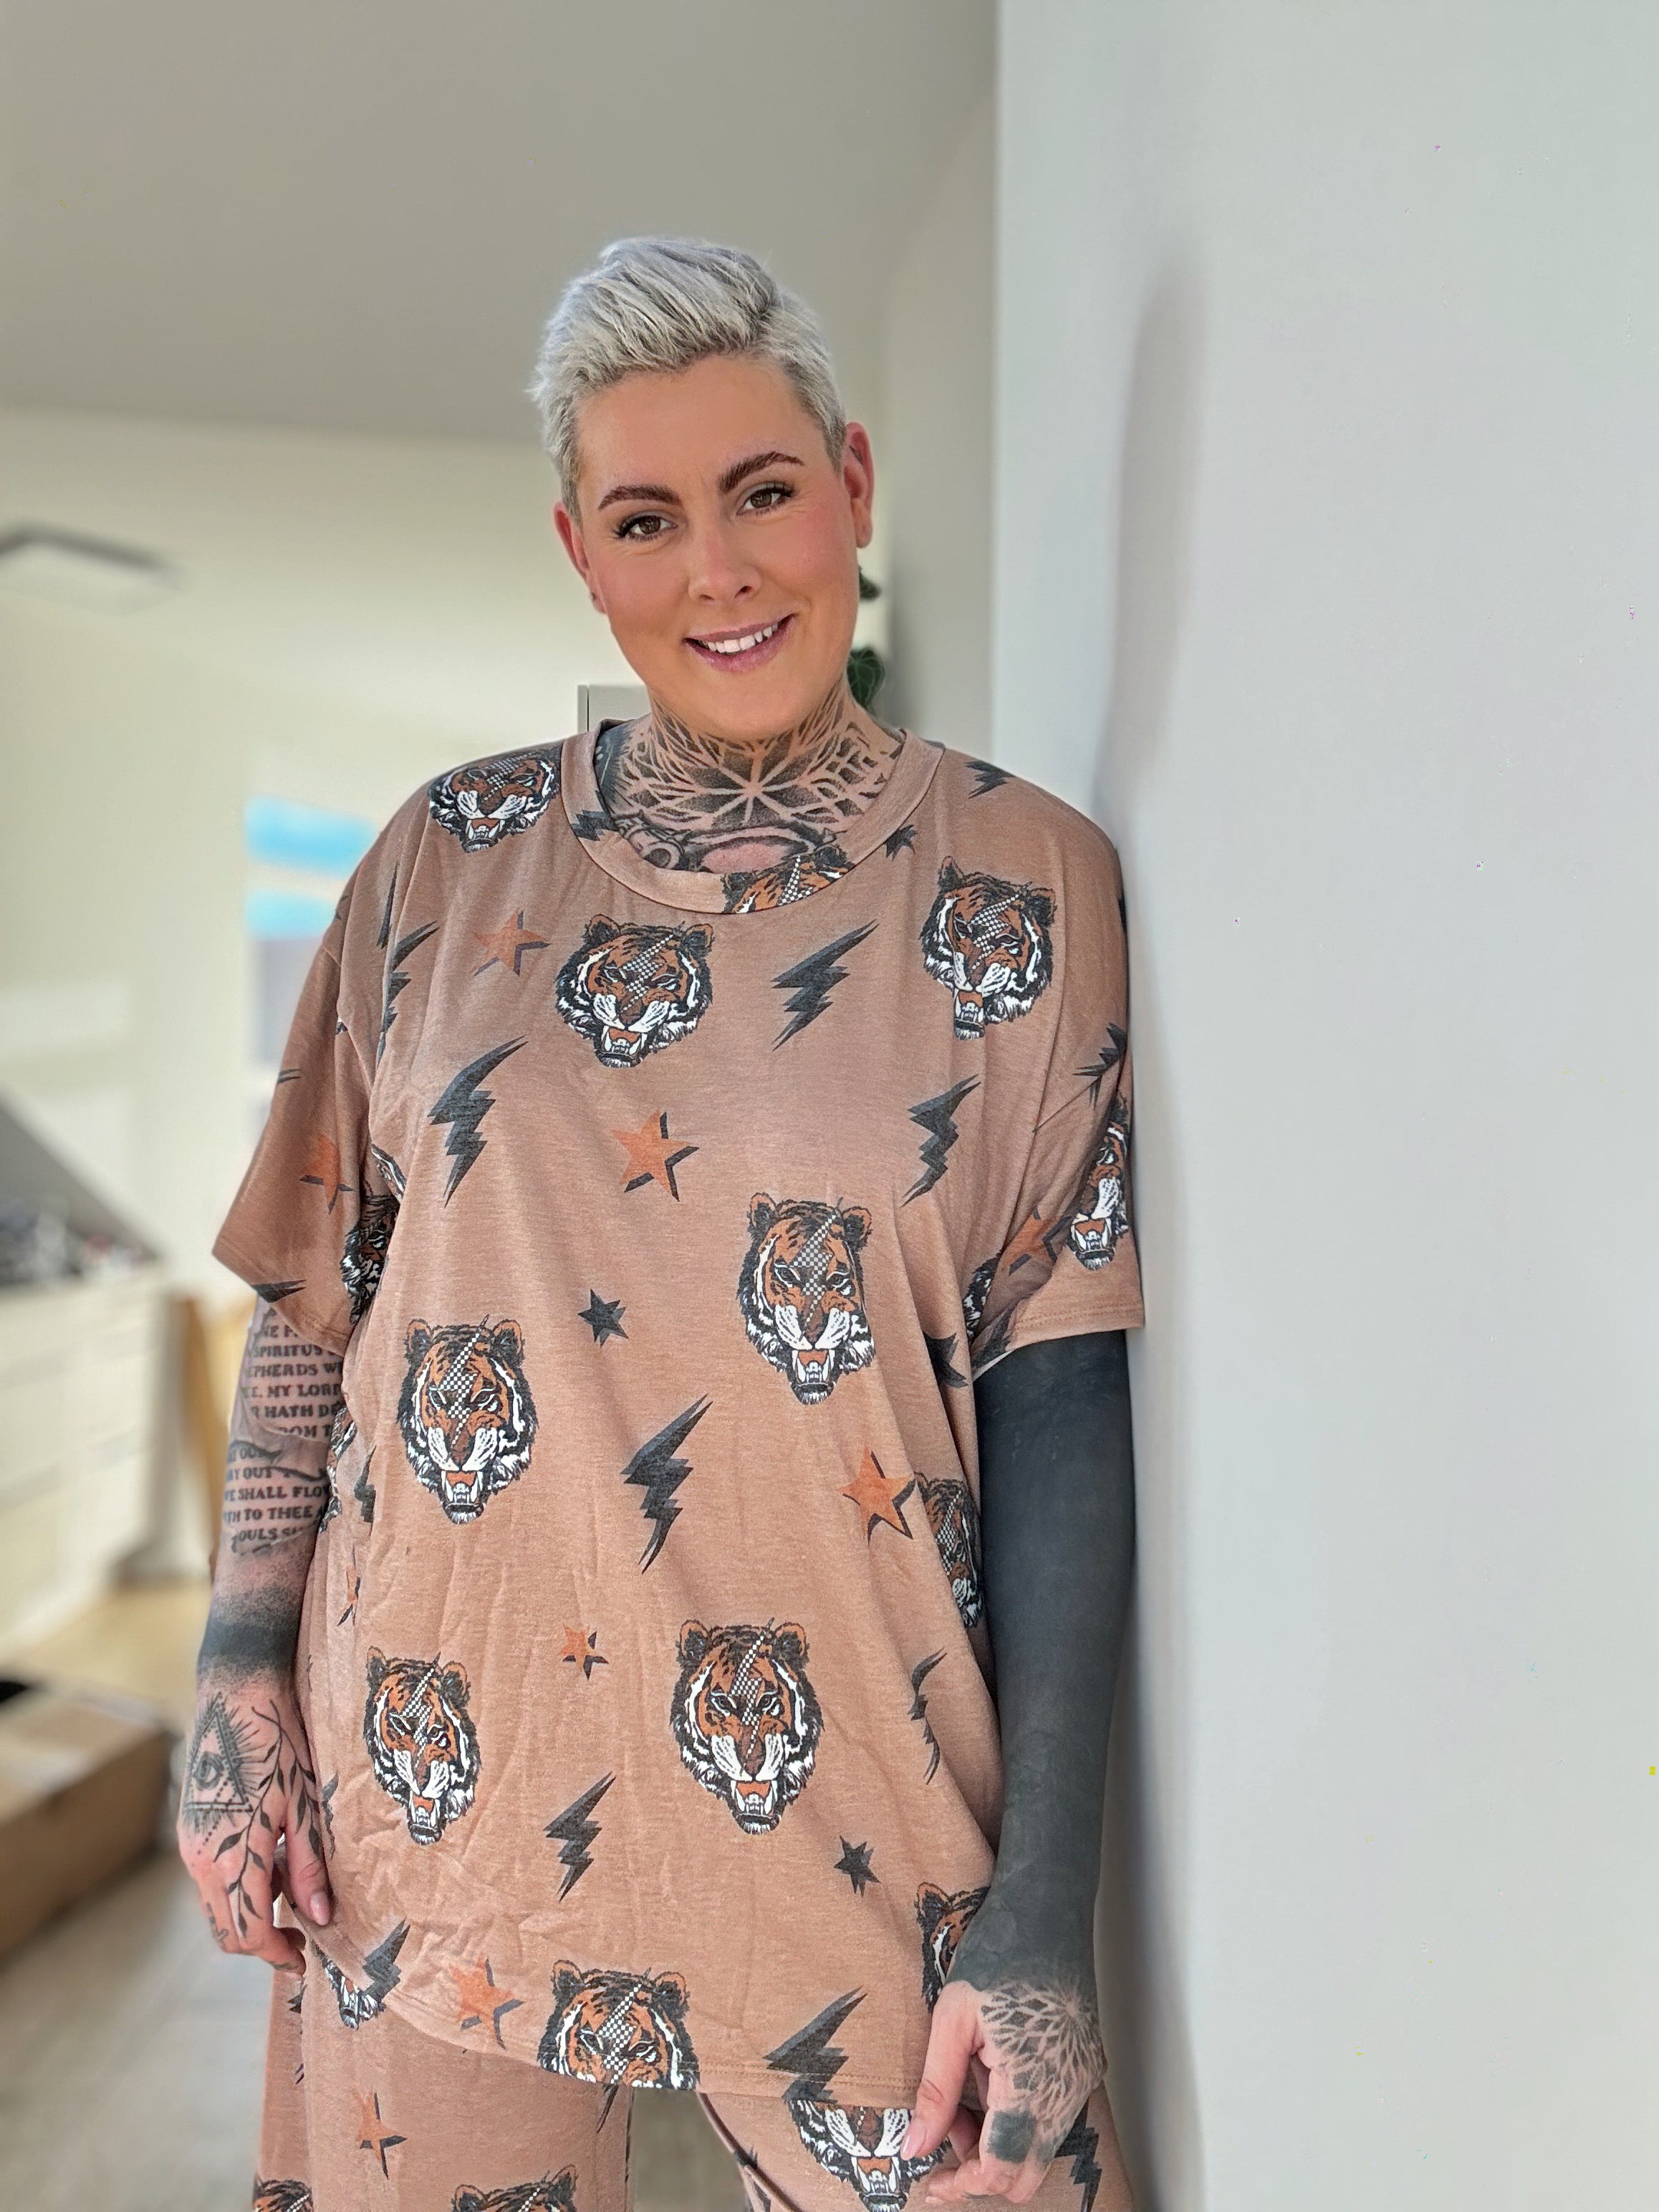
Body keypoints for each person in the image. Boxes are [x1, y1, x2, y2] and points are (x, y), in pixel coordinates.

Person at [180, 236, 1145, 2212]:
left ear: (851, 487)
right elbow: (312, 1296)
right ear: (582, 554)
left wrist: (1047, 1904)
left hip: (870, 1829)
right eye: (646, 521)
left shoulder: (1030, 884)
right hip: (430, 1822)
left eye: (761, 491)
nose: (718, 571)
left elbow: (1062, 1395)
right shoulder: (440, 866)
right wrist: (235, 1669)